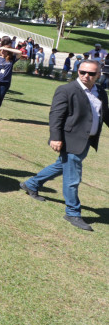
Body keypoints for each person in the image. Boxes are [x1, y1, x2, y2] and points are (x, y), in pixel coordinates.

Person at [20, 59, 109, 231]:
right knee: (73, 177)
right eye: (82, 72)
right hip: (70, 140)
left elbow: (105, 114)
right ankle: (72, 212)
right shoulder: (66, 90)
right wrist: (55, 137)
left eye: (91, 73)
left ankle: (31, 184)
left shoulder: (101, 92)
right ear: (78, 71)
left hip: (87, 140)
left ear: (99, 75)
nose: (85, 76)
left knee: (62, 165)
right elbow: (56, 116)